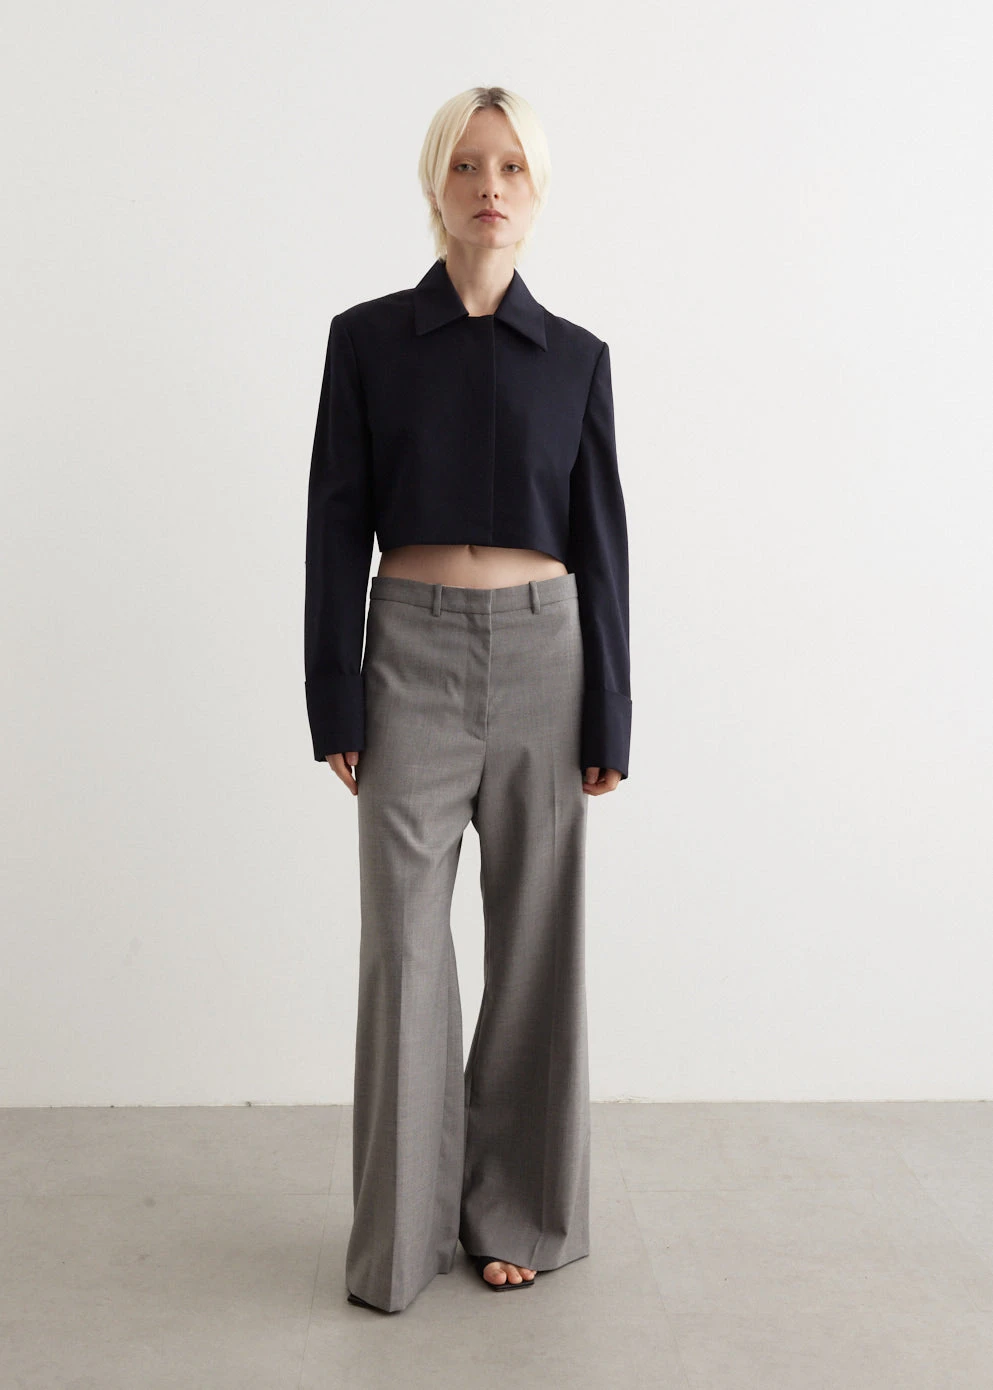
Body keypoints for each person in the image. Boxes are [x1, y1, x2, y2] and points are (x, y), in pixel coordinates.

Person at [304, 85, 632, 1313]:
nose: (489, 187)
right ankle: (400, 1237)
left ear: (536, 194)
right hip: (410, 658)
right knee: (404, 951)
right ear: (436, 183)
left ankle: (520, 1213)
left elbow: (604, 543)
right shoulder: (367, 341)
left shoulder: (579, 359)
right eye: (467, 165)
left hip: (549, 658)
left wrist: (612, 711)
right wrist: (333, 693)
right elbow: (335, 520)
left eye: (512, 168)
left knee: (538, 947)